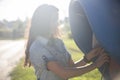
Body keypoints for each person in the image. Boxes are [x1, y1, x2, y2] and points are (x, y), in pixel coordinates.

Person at [24, 4, 109, 80]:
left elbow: (71, 67)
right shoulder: (37, 48)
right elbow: (64, 73)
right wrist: (95, 65)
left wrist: (87, 58)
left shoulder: (58, 42)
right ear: (44, 22)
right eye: (54, 20)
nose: (57, 23)